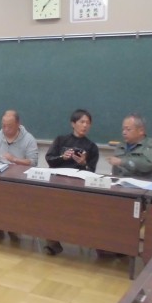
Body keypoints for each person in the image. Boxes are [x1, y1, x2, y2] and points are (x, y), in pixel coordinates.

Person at [44, 109, 100, 255]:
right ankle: (52, 243)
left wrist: (83, 163)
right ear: (73, 124)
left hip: (78, 188)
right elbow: (49, 160)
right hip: (58, 184)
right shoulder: (61, 140)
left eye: (88, 123)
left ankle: (79, 238)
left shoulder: (92, 147)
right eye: (82, 122)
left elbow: (92, 172)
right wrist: (62, 157)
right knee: (50, 207)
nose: (85, 125)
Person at [0, 110, 39, 241]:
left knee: (10, 195)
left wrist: (14, 159)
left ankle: (13, 227)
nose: (6, 129)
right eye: (3, 126)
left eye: (9, 126)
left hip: (19, 179)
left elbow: (33, 162)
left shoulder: (29, 139)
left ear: (18, 124)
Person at [107, 113, 152, 180]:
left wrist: (122, 162)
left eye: (128, 129)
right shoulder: (121, 146)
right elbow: (116, 172)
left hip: (144, 184)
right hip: (121, 183)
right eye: (123, 129)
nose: (124, 132)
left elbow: (148, 165)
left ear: (141, 131)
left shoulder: (151, 145)